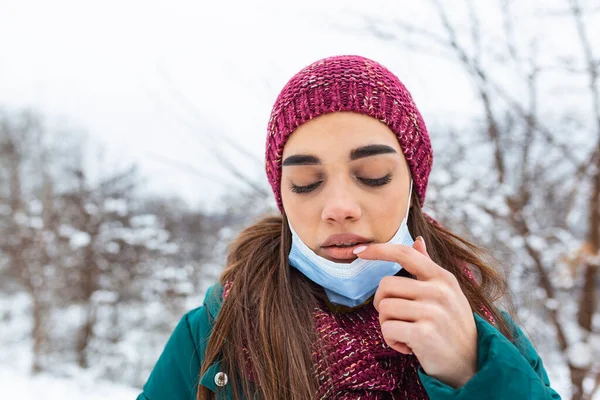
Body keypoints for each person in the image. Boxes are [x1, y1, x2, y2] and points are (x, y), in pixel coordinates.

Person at [137, 55, 561, 400]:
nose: (339, 208)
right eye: (306, 183)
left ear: (413, 187)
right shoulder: (213, 332)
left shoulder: (486, 332)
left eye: (373, 175)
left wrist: (472, 372)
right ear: (282, 197)